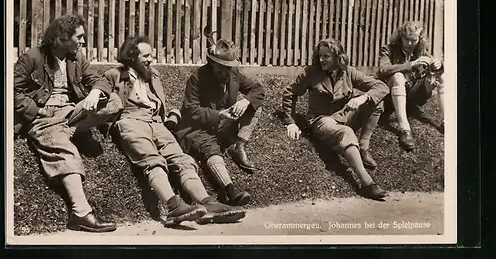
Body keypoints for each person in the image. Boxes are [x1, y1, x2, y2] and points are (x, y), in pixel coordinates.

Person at [103, 36, 246, 226]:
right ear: (131, 57)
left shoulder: (152, 75)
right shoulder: (113, 74)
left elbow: (156, 101)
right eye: (146, 56)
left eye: (151, 55)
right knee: (153, 161)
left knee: (183, 160)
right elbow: (102, 95)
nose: (150, 60)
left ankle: (207, 203)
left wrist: (170, 116)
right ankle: (173, 207)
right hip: (130, 121)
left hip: (156, 122)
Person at [14, 14, 123, 232]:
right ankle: (81, 214)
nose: (83, 41)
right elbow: (11, 89)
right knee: (65, 151)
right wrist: (36, 110)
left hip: (70, 112)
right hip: (44, 116)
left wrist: (95, 92)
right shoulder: (33, 57)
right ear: (62, 37)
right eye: (79, 37)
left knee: (113, 101)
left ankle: (67, 129)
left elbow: (97, 79)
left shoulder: (77, 58)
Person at [281, 38, 389, 200]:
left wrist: (363, 98)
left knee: (375, 103)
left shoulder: (349, 72)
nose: (321, 60)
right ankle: (367, 183)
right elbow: (290, 93)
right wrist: (290, 121)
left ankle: (363, 146)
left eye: (326, 56)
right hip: (321, 120)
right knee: (345, 132)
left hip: (344, 116)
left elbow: (381, 87)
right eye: (320, 56)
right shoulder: (311, 73)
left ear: (338, 57)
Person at [174, 38, 265, 206]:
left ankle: (238, 147)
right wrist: (219, 115)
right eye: (221, 66)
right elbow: (190, 109)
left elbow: (257, 89)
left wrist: (244, 101)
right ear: (211, 63)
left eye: (229, 66)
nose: (226, 71)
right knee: (211, 149)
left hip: (224, 126)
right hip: (198, 128)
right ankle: (230, 191)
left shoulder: (233, 74)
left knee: (254, 106)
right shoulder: (197, 78)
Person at [378, 21, 445, 151]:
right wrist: (412, 64)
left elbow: (437, 67)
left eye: (413, 40)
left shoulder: (421, 52)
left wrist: (438, 64)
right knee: (398, 77)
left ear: (419, 39)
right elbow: (383, 70)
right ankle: (405, 129)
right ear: (400, 37)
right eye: (406, 39)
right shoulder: (388, 49)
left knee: (441, 76)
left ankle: (445, 123)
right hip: (390, 98)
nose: (409, 44)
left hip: (412, 98)